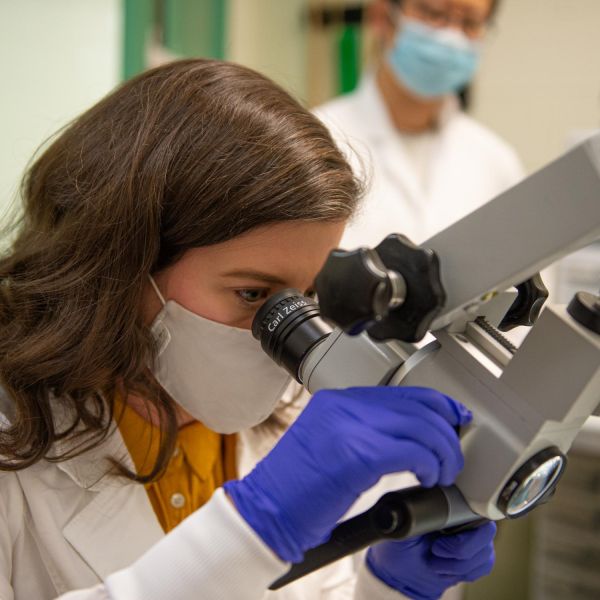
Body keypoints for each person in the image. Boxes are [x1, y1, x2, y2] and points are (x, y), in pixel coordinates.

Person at [0, 59, 495, 600]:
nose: (288, 332)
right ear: (121, 264)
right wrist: (255, 529)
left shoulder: (291, 432)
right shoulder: (13, 448)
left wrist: (390, 588)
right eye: (253, 295)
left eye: (307, 295)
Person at [314, 0, 524, 249]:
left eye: (469, 23)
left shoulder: (497, 162)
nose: (450, 37)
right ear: (382, 15)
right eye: (434, 13)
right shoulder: (317, 141)